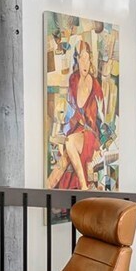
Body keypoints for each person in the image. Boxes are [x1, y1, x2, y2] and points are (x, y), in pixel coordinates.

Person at [48, 35, 104, 190]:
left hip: (91, 134)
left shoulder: (96, 86)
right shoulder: (73, 79)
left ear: (91, 60)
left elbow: (101, 120)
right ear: (77, 59)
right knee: (61, 164)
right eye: (82, 58)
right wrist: (64, 132)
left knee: (70, 142)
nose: (85, 62)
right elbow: (69, 111)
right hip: (75, 131)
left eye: (87, 58)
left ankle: (84, 187)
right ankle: (46, 192)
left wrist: (100, 148)